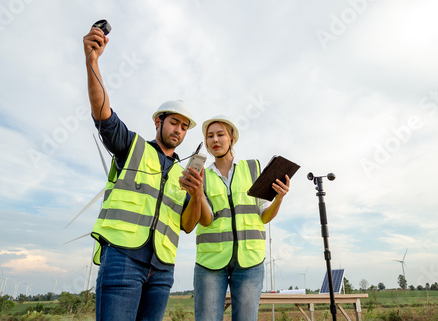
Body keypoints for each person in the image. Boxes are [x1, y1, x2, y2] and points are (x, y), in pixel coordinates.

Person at [83, 26, 203, 320]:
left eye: (185, 127)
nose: (179, 130)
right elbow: (103, 114)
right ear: (158, 122)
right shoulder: (132, 146)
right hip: (122, 259)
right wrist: (92, 62)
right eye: (174, 122)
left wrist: (197, 194)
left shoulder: (184, 174)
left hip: (162, 270)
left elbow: (188, 225)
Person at [194, 115, 290, 321]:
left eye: (220, 135)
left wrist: (279, 198)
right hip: (211, 261)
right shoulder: (201, 175)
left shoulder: (252, 169)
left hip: (250, 261)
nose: (215, 140)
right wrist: (197, 192)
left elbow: (264, 216)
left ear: (232, 139)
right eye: (210, 136)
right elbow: (206, 219)